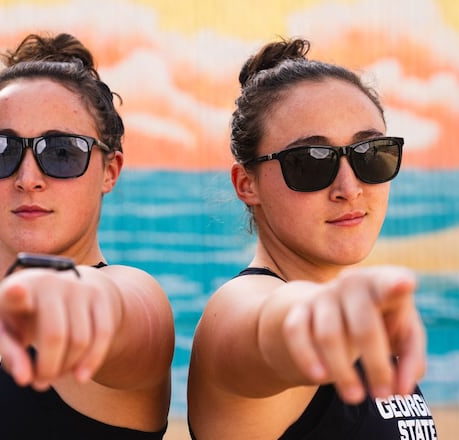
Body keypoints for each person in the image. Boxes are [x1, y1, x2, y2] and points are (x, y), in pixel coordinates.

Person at [0, 32, 175, 440]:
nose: (27, 178)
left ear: (110, 170)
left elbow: (130, 318)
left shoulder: (127, 295)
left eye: (62, 152)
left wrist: (74, 298)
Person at [187, 38, 437, 439]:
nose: (349, 186)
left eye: (370, 153)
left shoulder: (359, 322)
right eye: (309, 162)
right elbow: (270, 330)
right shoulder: (237, 312)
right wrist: (322, 313)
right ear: (246, 184)